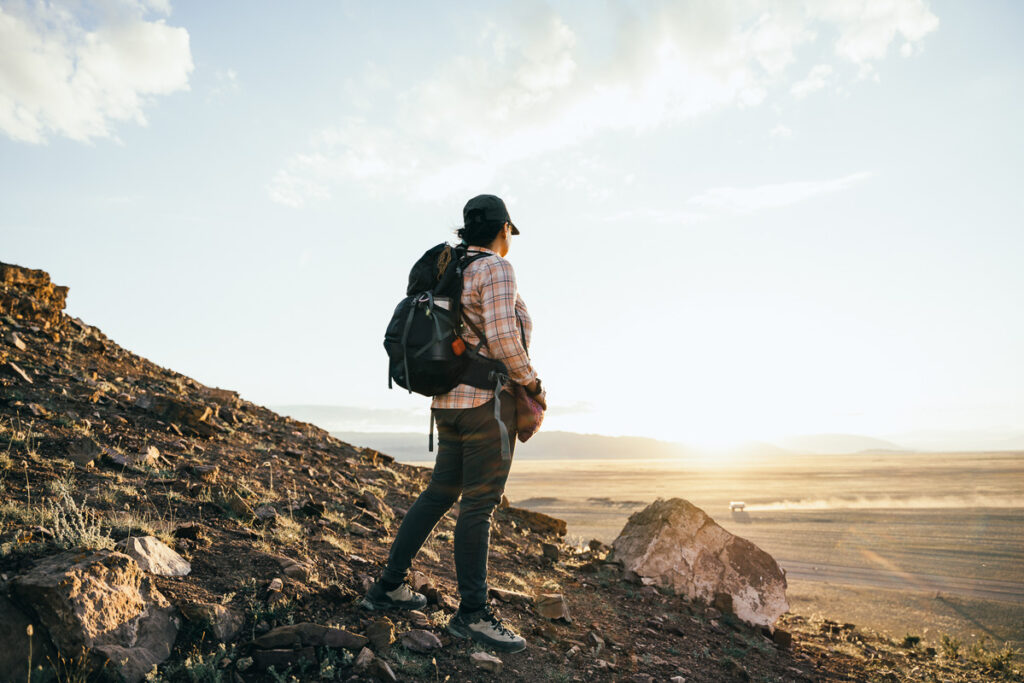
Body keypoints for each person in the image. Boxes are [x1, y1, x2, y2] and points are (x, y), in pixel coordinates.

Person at [361, 194, 544, 653]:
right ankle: (473, 615)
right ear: (503, 230)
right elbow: (503, 337)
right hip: (487, 404)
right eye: (509, 232)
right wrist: (533, 384)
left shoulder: (449, 265)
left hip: (447, 404)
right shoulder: (496, 269)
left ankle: (388, 586)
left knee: (441, 492)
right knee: (479, 505)